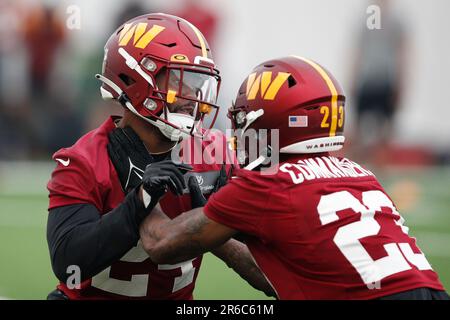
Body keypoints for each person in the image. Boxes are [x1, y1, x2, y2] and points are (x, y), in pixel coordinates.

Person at [139, 56, 449, 300]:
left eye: (244, 118)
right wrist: (217, 234)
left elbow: (162, 243)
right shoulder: (361, 174)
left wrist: (139, 190)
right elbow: (281, 280)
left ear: (273, 123)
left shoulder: (269, 182)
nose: (238, 130)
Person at [46, 13, 274, 300]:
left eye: (197, 82)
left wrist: (212, 224)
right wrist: (137, 203)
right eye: (180, 80)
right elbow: (69, 265)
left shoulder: (215, 153)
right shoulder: (84, 159)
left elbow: (277, 273)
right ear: (135, 78)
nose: (192, 94)